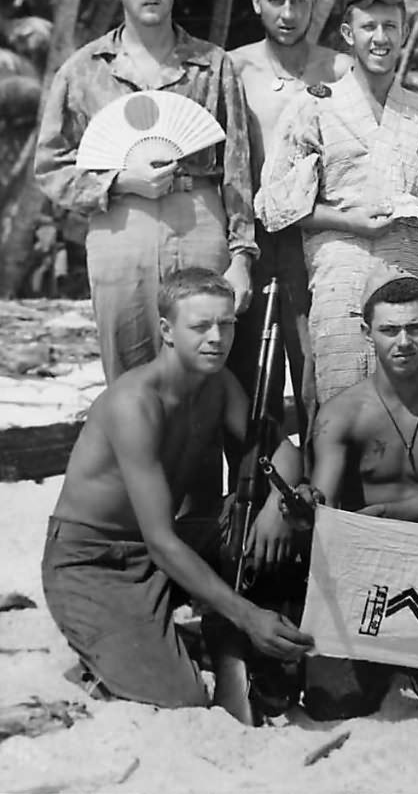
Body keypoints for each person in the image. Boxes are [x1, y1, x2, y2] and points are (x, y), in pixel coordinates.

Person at [41, 268, 314, 714]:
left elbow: (282, 451)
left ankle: (191, 630)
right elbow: (161, 541)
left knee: (282, 535)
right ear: (166, 331)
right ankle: (132, 639)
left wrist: (277, 506)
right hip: (94, 560)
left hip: (162, 547)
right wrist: (247, 616)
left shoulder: (219, 385)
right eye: (200, 326)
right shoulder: (135, 404)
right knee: (181, 696)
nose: (217, 338)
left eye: (226, 324)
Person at [34, 0, 255, 384]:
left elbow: (237, 169)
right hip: (119, 226)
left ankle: (197, 459)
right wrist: (116, 181)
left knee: (204, 374)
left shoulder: (214, 66)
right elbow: (51, 166)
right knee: (129, 374)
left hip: (200, 221)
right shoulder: (82, 71)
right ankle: (132, 458)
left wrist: (242, 257)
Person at [257, 0, 418, 405]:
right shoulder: (312, 110)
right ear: (348, 33)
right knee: (340, 405)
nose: (380, 37)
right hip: (339, 278)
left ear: (404, 34)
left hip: (412, 275)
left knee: (414, 411)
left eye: (390, 26)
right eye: (369, 26)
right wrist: (349, 221)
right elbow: (273, 204)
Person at [303, 265, 418, 720]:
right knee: (331, 699)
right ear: (367, 333)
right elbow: (322, 499)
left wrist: (388, 513)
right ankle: (392, 655)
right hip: (367, 558)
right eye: (389, 330)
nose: (403, 342)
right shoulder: (341, 412)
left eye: (415, 329)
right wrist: (307, 505)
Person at [226, 0, 351, 437]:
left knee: (317, 373)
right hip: (253, 239)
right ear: (257, 1)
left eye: (298, 0)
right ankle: (250, 499)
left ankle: (325, 497)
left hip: (315, 238)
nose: (288, 12)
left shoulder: (340, 70)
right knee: (250, 374)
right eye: (276, 0)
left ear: (313, 1)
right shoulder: (232, 69)